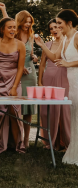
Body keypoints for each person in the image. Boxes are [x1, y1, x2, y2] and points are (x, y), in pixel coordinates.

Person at [34, 9, 78, 165]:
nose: (57, 27)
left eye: (60, 23)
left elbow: (65, 62)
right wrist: (42, 45)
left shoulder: (77, 36)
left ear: (69, 23)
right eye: (56, 24)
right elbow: (54, 57)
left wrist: (69, 63)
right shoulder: (65, 39)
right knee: (74, 116)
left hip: (77, 80)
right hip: (71, 82)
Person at [0, 2, 38, 148]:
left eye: (30, 22)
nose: (28, 24)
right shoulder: (13, 33)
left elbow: (31, 53)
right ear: (19, 21)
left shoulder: (31, 35)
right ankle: (16, 138)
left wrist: (34, 58)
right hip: (16, 73)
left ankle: (26, 139)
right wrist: (4, 10)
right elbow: (7, 23)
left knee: (28, 108)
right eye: (25, 21)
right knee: (16, 108)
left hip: (30, 73)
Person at [0, 17, 26, 153]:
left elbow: (21, 68)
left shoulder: (20, 44)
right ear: (2, 29)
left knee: (14, 111)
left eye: (14, 27)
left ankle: (18, 145)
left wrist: (15, 87)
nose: (13, 30)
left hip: (13, 79)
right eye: (10, 27)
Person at [38, 19, 70, 151]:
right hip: (48, 79)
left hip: (64, 77)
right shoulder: (47, 44)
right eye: (51, 28)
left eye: (56, 27)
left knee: (63, 110)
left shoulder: (68, 42)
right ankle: (51, 140)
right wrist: (39, 81)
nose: (54, 30)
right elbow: (42, 64)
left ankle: (63, 141)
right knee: (47, 111)